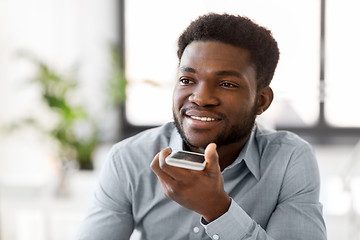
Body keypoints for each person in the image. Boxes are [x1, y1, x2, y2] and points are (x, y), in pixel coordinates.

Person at [77, 13, 327, 240]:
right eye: (187, 79)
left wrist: (217, 209)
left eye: (227, 84)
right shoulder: (129, 158)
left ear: (261, 101)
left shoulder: (289, 159)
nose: (200, 98)